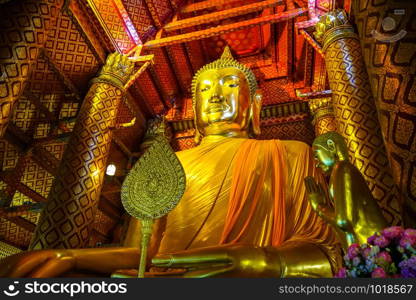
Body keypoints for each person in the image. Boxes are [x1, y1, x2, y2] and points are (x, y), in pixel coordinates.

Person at [0, 47, 341, 278]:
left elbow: (329, 255)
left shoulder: (291, 153)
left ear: (254, 105)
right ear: (193, 111)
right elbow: (142, 254)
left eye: (229, 85)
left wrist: (263, 261)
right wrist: (70, 257)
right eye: (205, 90)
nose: (216, 95)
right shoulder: (166, 164)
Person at [305, 132, 387, 250]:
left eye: (317, 155)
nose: (317, 164)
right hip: (367, 248)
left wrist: (319, 207)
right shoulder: (339, 172)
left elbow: (343, 221)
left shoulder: (343, 168)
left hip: (373, 248)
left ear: (331, 146)